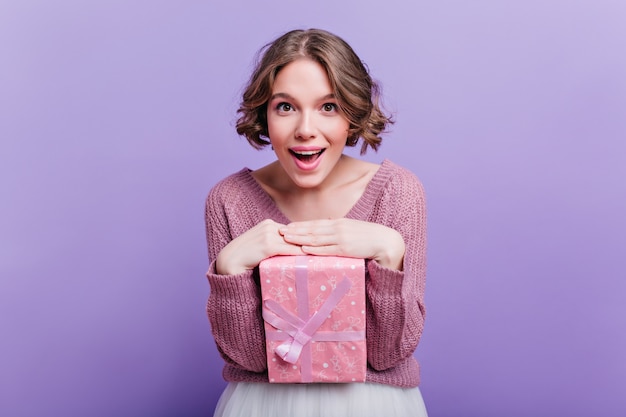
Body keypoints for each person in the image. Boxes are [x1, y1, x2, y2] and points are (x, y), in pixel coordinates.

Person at [204, 28, 428, 417]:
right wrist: (230, 271)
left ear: (353, 113)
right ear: (264, 114)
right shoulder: (229, 200)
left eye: (328, 107)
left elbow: (389, 353)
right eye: (286, 107)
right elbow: (249, 361)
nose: (305, 129)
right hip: (262, 407)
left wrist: (391, 255)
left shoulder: (398, 193)